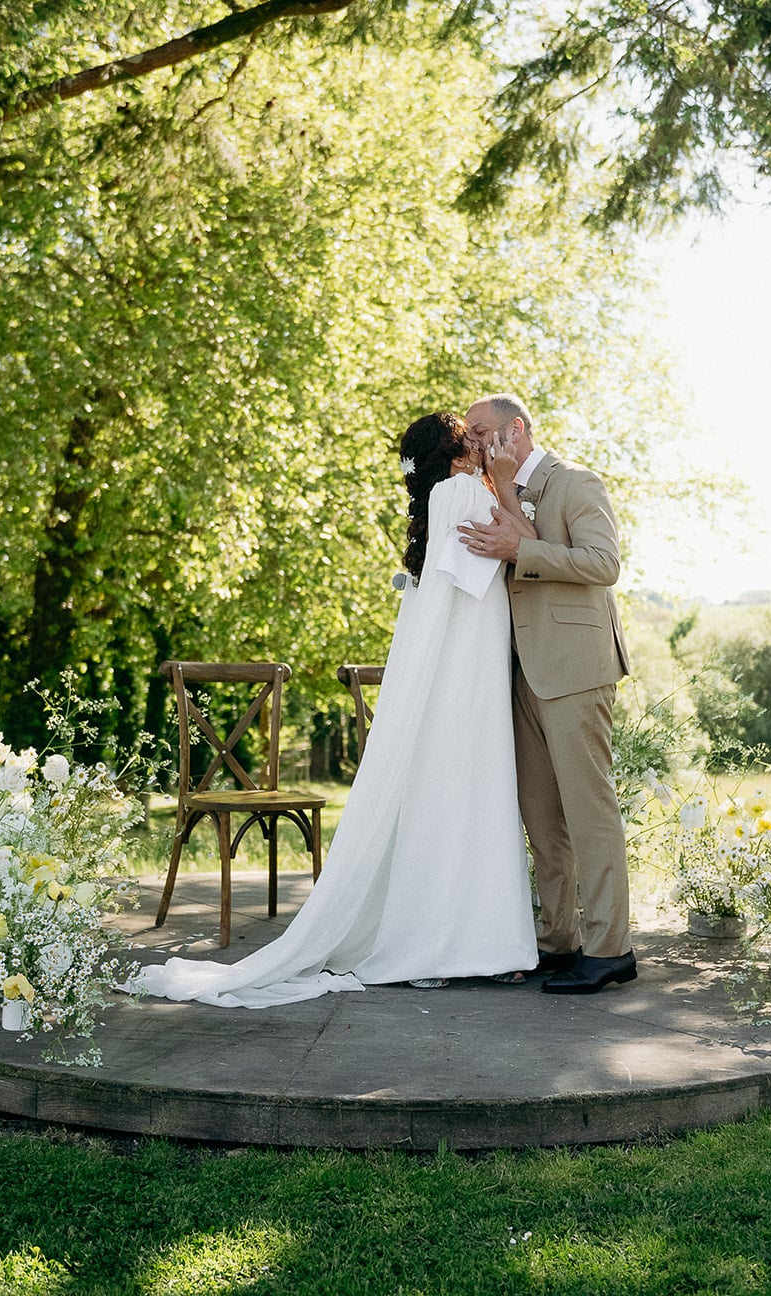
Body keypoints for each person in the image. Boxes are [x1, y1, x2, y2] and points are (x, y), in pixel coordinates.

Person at [131, 412, 538, 1007]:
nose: (484, 447)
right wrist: (502, 481)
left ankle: (463, 943)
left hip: (463, 678)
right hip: (465, 686)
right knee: (471, 801)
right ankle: (462, 946)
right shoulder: (460, 494)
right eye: (472, 441)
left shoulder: (442, 502)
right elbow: (522, 546)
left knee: (455, 805)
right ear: (453, 455)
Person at [459, 394, 636, 995]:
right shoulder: (492, 491)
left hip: (577, 668)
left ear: (517, 429)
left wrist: (521, 550)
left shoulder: (576, 482)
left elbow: (603, 563)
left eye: (481, 431)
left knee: (589, 812)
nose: (474, 442)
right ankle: (557, 941)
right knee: (540, 817)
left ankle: (610, 948)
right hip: (520, 674)